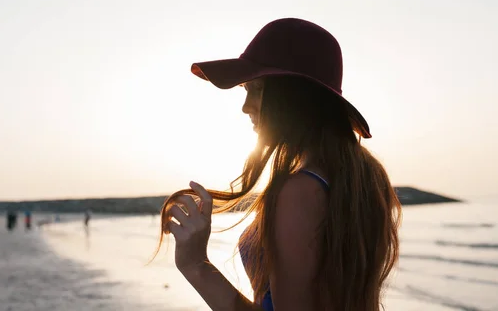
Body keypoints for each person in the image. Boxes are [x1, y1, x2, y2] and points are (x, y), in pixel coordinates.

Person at [155, 18, 401, 310]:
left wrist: (195, 264)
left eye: (256, 89)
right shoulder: (358, 179)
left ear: (294, 94)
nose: (245, 107)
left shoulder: (301, 191)